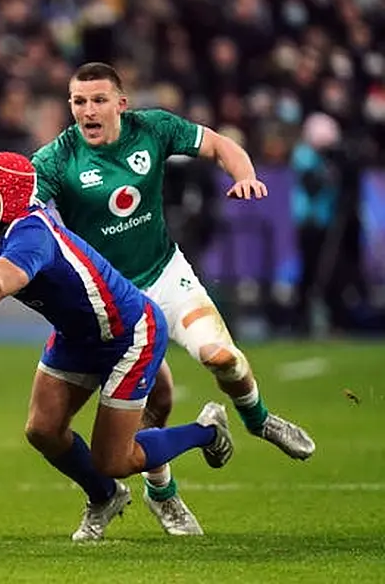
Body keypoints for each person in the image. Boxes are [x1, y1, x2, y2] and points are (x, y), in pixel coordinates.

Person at [31, 62, 315, 536]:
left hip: (165, 278)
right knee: (153, 400)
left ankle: (259, 421)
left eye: (98, 100)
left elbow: (220, 144)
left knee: (222, 359)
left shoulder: (154, 128)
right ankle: (161, 493)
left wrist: (243, 174)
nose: (88, 111)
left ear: (121, 103)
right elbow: (29, 207)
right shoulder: (58, 159)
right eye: (79, 102)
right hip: (109, 302)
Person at [0, 151, 234, 541]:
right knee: (42, 430)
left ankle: (207, 431)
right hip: (76, 335)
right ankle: (105, 497)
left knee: (113, 458)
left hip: (127, 334)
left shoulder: (32, 234)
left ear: (11, 199)